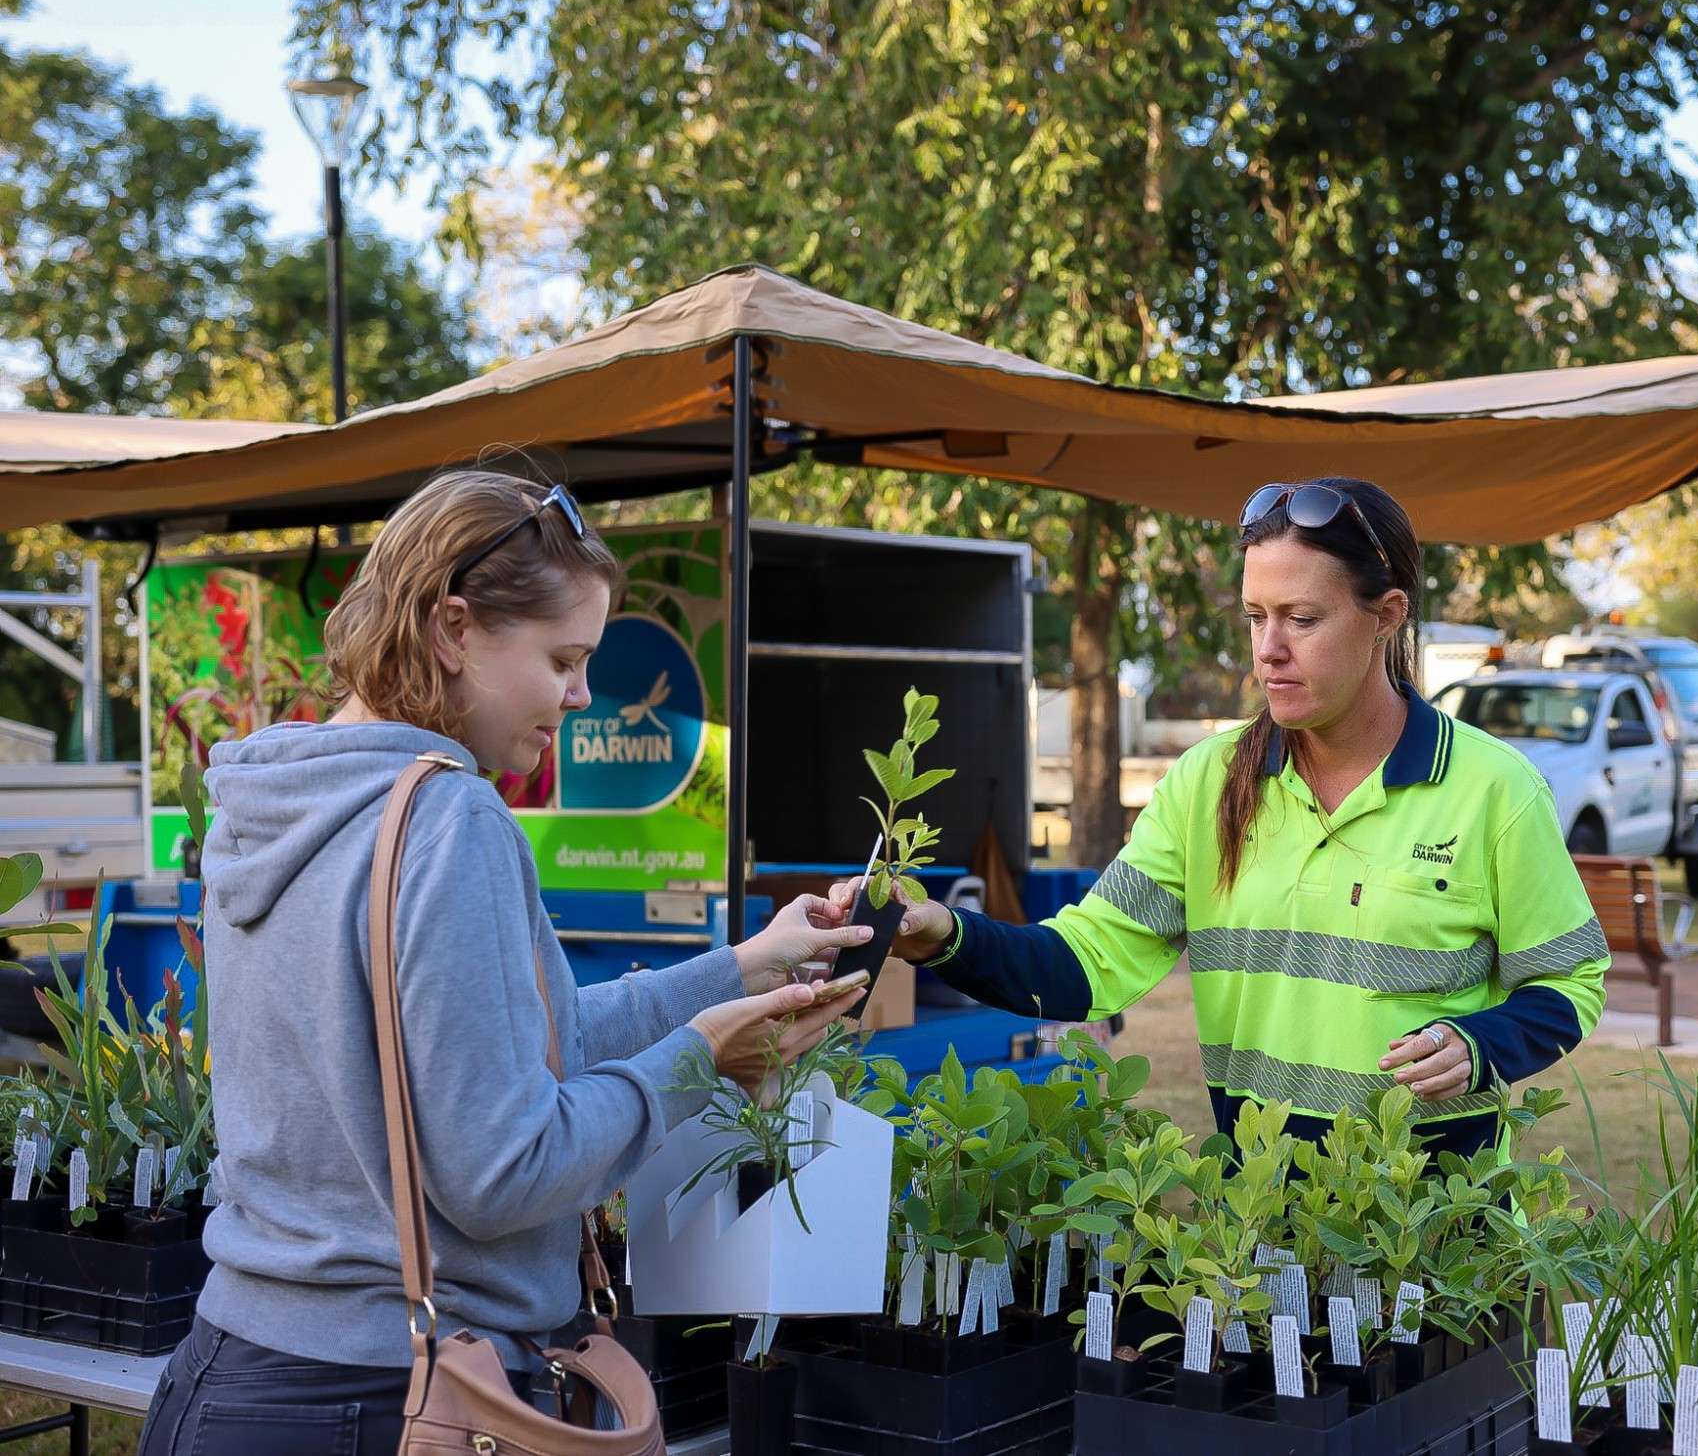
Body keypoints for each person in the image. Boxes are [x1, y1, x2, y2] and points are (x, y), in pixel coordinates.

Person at [140, 471, 872, 1456]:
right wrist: (700, 1062)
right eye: (563, 659)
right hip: (392, 1400)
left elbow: (515, 1046)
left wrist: (742, 967)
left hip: (231, 1376)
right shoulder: (451, 818)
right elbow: (505, 1172)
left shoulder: (275, 803)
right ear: (453, 630)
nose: (580, 695)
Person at [837, 477, 1609, 1159]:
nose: (1267, 649)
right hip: (1256, 1229)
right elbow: (1084, 965)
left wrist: (1479, 1043)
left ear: (1387, 616)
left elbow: (1570, 981)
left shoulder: (1494, 789)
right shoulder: (1206, 784)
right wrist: (946, 936)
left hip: (1438, 1239)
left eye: (1301, 619)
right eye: (1255, 616)